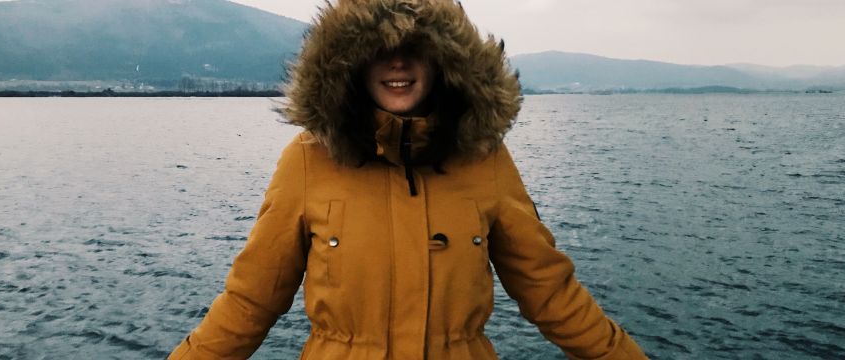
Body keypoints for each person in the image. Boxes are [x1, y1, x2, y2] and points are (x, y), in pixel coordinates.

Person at [169, 0, 648, 359]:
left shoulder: (486, 160)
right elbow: (250, 301)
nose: (397, 62)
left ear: (444, 61)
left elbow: (551, 293)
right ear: (351, 64)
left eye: (414, 48)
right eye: (379, 49)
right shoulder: (308, 161)